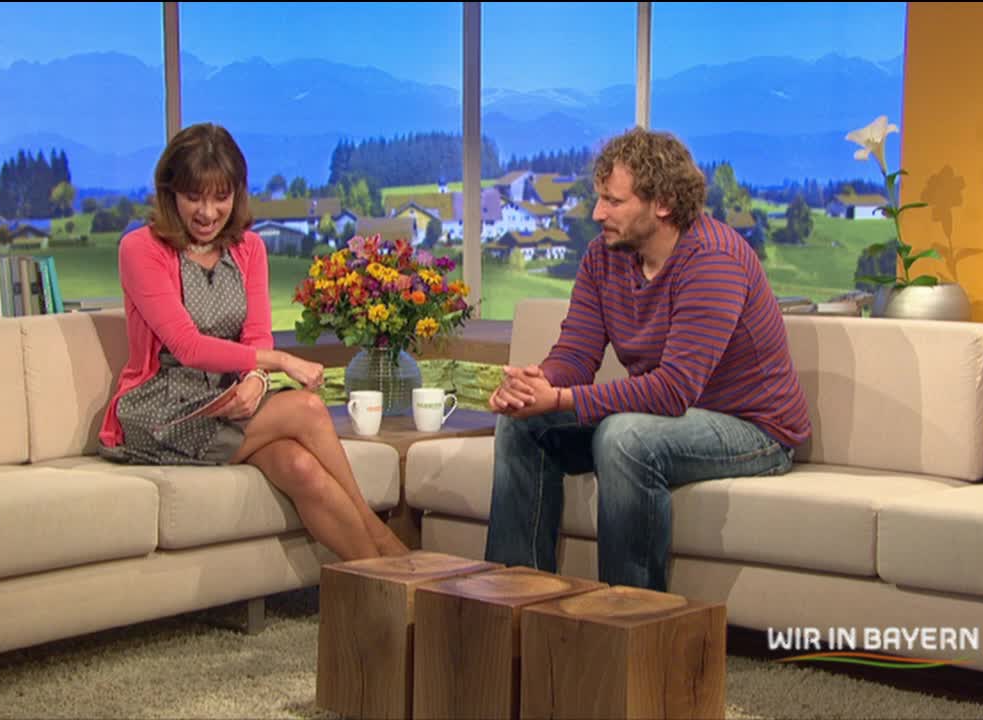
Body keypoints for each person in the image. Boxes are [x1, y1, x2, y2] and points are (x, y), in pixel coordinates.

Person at [483, 127, 811, 591]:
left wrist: (559, 398)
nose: (598, 213)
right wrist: (536, 384)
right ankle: (518, 600)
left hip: (753, 428)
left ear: (663, 203)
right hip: (672, 417)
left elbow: (674, 390)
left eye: (613, 201)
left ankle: (629, 614)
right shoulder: (604, 256)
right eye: (599, 199)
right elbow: (576, 352)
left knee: (625, 437)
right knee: (521, 423)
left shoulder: (714, 260)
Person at [97, 122, 409, 560]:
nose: (208, 212)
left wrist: (256, 381)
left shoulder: (249, 249)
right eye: (194, 197)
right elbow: (187, 346)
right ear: (170, 193)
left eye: (220, 197)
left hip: (232, 402)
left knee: (300, 467)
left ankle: (380, 584)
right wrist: (278, 363)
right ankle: (386, 542)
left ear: (237, 194)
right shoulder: (141, 248)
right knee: (307, 408)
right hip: (162, 409)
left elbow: (256, 333)